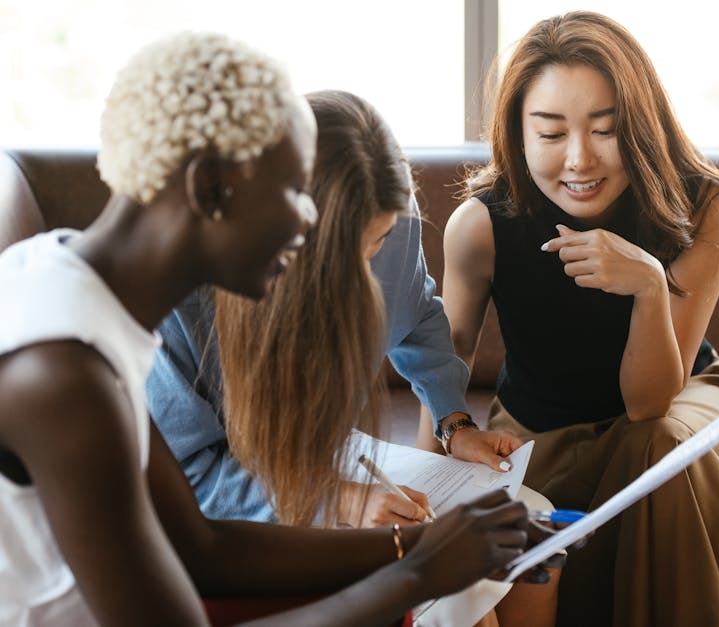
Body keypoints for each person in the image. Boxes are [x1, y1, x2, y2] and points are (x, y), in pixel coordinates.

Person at [0, 32, 546, 627]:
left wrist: (417, 546)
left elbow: (201, 546)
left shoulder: (82, 297)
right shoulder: (61, 376)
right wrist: (416, 573)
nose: (305, 221)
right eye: (292, 192)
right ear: (211, 189)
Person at [417, 11, 719, 627]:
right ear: (517, 134)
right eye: (551, 133)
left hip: (686, 403)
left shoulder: (702, 206)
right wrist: (424, 486)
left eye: (605, 129)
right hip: (541, 428)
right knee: (649, 454)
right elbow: (442, 362)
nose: (580, 160)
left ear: (640, 126)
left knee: (657, 445)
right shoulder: (481, 225)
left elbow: (650, 405)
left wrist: (648, 286)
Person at [159, 88, 561, 627]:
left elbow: (417, 315)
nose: (367, 271)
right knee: (461, 595)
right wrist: (339, 502)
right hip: (240, 504)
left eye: (379, 242)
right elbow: (185, 481)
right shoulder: (181, 298)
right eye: (348, 251)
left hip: (330, 453)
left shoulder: (392, 224)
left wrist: (453, 421)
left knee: (529, 522)